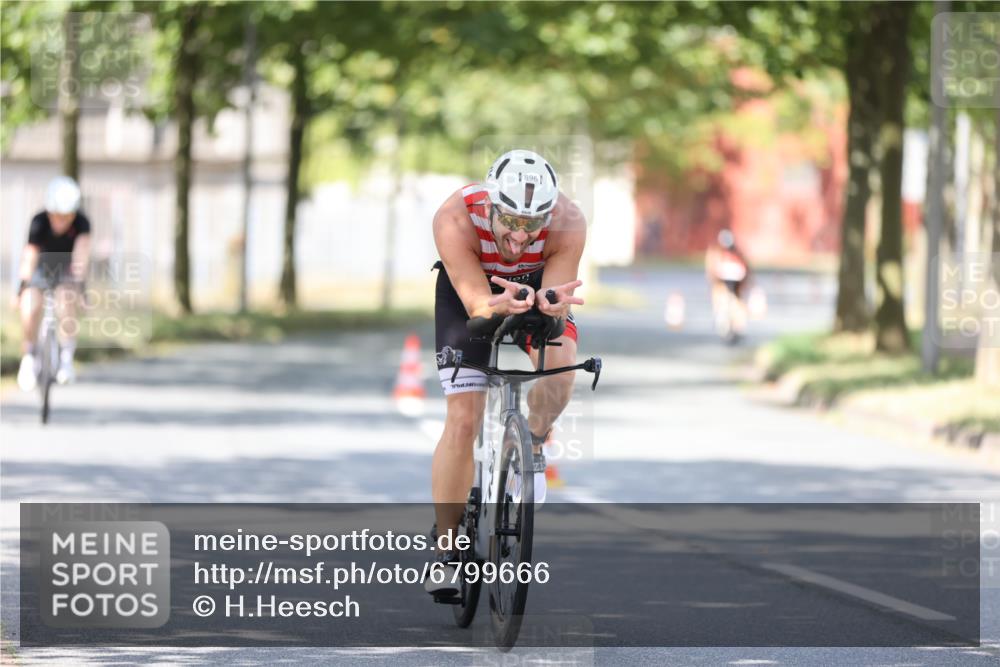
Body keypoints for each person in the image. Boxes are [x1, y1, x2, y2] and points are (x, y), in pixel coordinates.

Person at [425, 149, 586, 597]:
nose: (519, 235)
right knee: (463, 418)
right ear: (491, 206)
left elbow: (556, 291)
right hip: (472, 295)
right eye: (510, 221)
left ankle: (530, 445)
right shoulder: (454, 217)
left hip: (536, 289)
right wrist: (495, 302)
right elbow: (477, 301)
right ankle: (447, 546)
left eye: (531, 225)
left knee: (561, 371)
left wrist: (550, 303)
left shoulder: (569, 220)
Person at [13, 176, 91, 390]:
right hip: (41, 268)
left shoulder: (82, 223)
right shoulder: (39, 222)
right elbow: (30, 256)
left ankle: (66, 357)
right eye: (57, 215)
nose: (61, 221)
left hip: (66, 269)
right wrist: (21, 290)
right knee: (30, 308)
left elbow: (81, 258)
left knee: (66, 302)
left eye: (66, 216)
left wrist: (81, 290)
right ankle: (28, 358)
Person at [705, 229, 751, 342]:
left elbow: (745, 269)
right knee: (723, 303)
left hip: (735, 283)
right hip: (723, 283)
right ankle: (724, 326)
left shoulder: (736, 253)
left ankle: (737, 327)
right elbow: (712, 270)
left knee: (735, 304)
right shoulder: (717, 252)